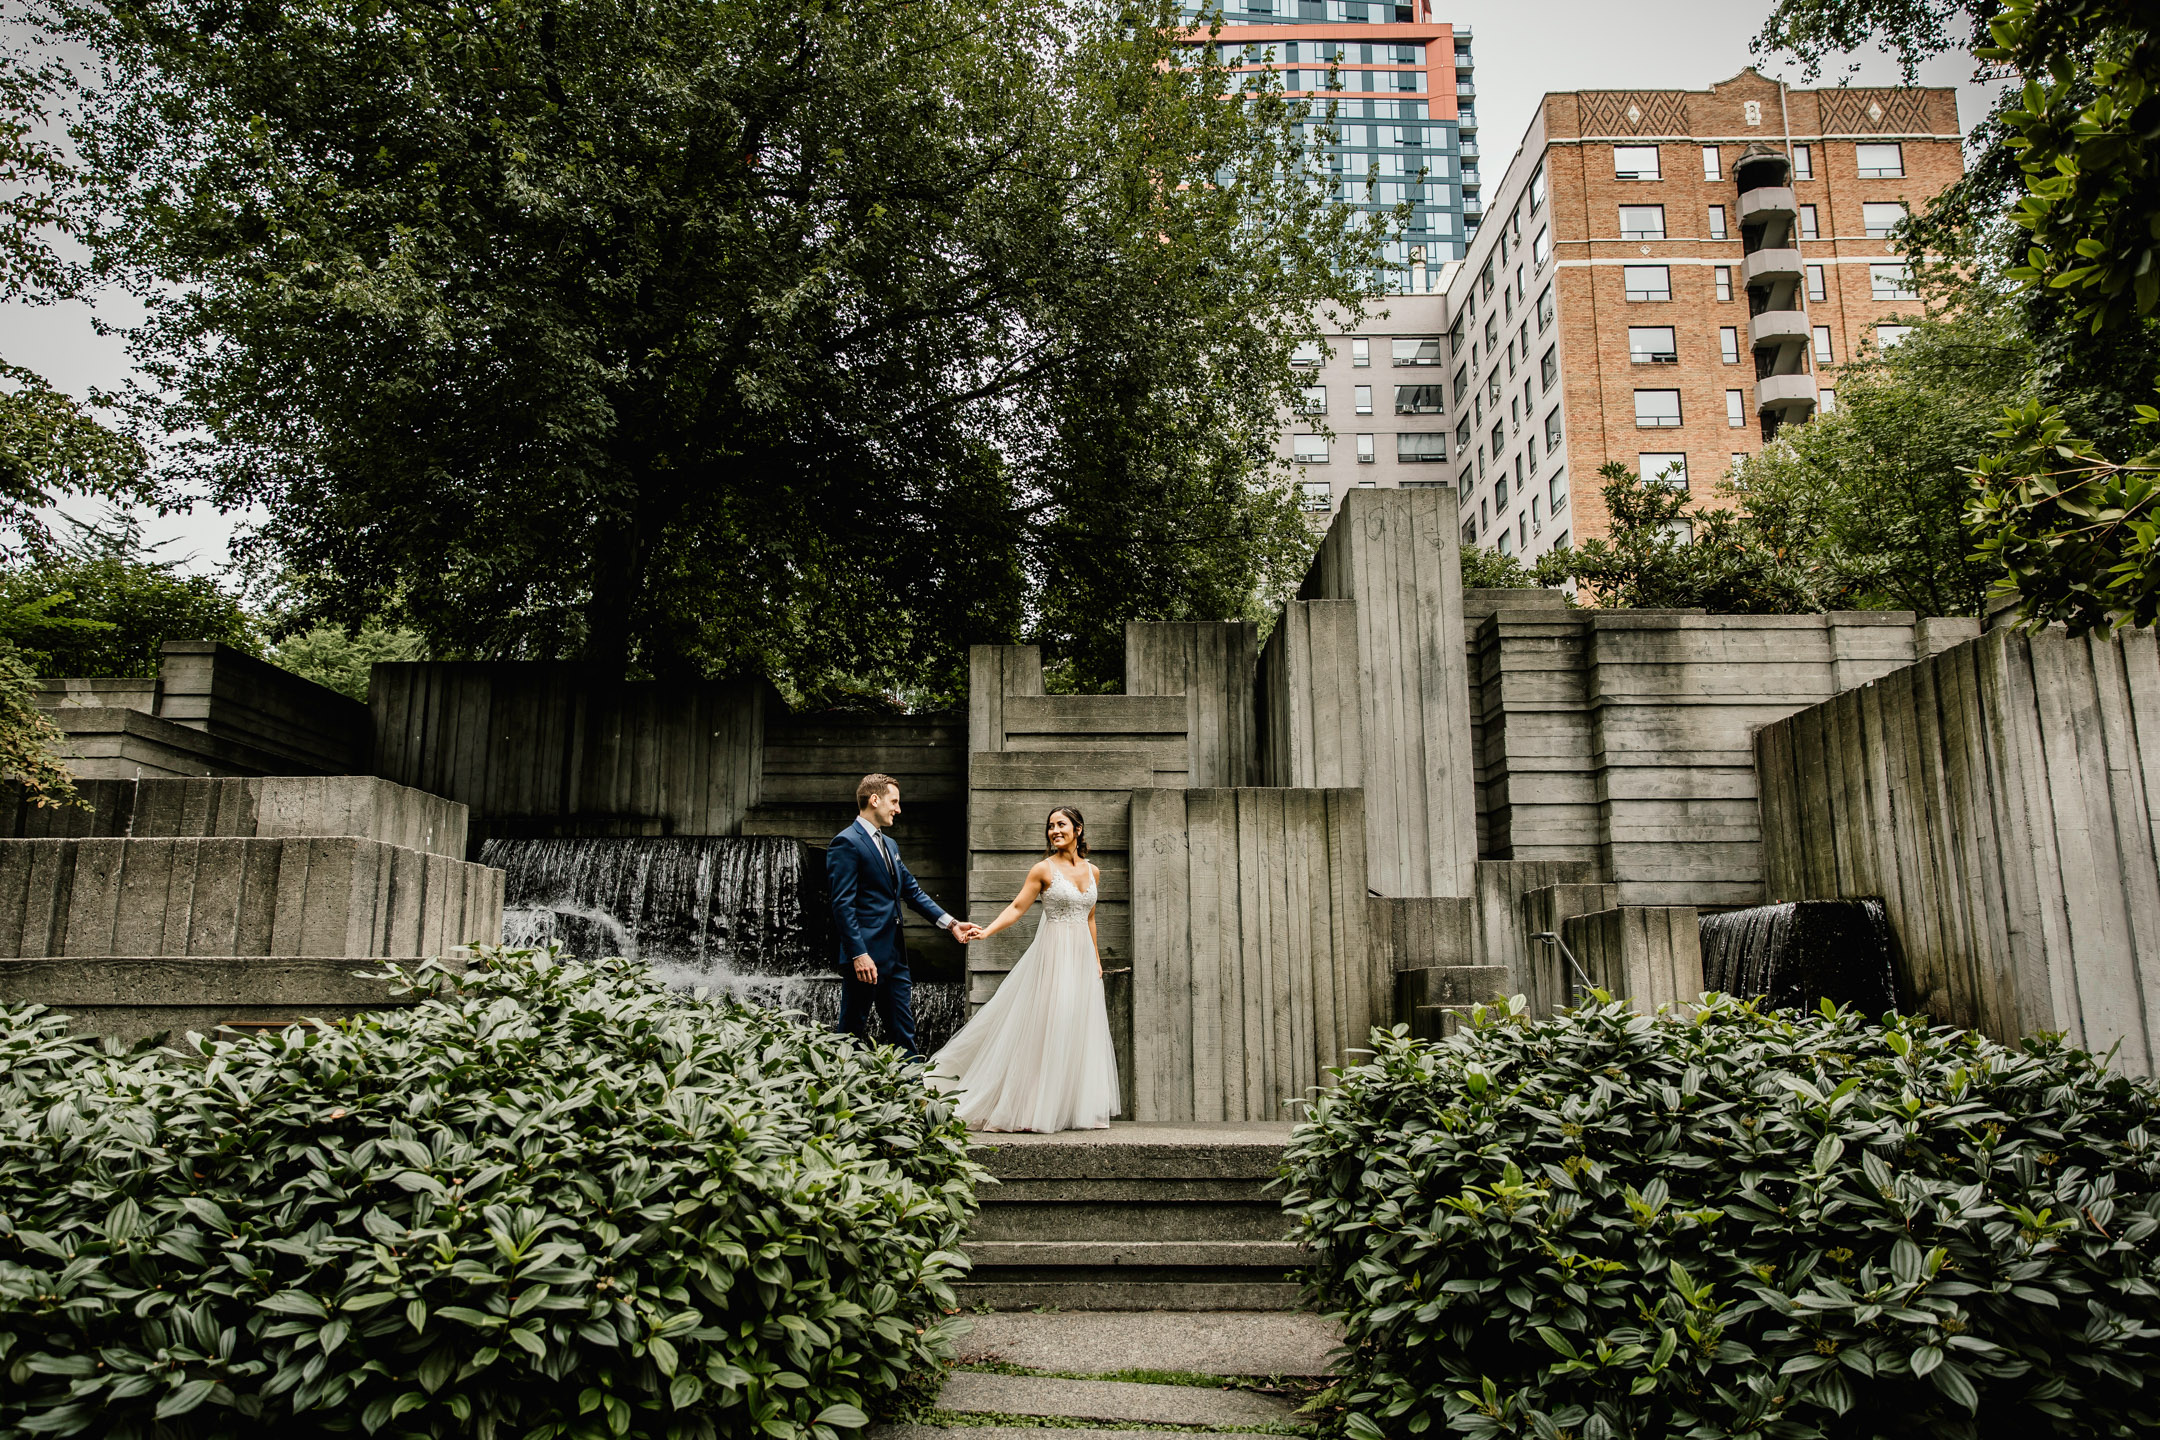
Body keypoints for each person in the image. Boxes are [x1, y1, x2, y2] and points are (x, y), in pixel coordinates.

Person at [927, 806, 1120, 1133]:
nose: (1054, 831)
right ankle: (1032, 1107)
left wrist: (1097, 961)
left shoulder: (1093, 872)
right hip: (1053, 956)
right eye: (1050, 826)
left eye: (1061, 825)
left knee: (1077, 1027)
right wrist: (987, 931)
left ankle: (1068, 1107)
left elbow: (1090, 918)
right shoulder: (1042, 870)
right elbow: (1018, 907)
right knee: (1049, 1025)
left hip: (1083, 960)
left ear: (1078, 829)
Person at [828, 772, 982, 1058]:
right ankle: (832, 1096)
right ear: (874, 800)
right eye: (894, 801)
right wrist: (858, 954)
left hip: (895, 959)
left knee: (904, 1034)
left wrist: (951, 924)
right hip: (865, 960)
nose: (898, 809)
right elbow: (842, 904)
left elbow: (912, 892)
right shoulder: (846, 843)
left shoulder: (890, 845)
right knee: (849, 1034)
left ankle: (915, 1097)